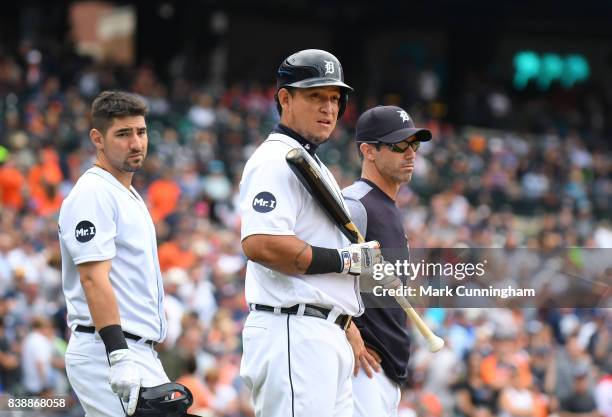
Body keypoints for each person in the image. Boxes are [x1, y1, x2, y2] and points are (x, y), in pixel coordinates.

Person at [238, 49, 382, 417]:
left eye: (334, 98)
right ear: (285, 99)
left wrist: (344, 321)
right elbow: (261, 244)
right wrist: (348, 260)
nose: (328, 108)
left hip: (322, 331)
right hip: (293, 329)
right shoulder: (274, 160)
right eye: (315, 96)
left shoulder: (311, 160)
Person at [58, 91, 169, 416]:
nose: (136, 143)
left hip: (137, 350)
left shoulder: (125, 192)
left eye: (141, 131)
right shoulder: (93, 192)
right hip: (107, 349)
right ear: (98, 138)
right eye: (123, 134)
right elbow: (93, 279)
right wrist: (118, 355)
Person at [342, 105, 432, 417]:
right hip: (363, 365)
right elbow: (312, 270)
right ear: (368, 151)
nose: (410, 154)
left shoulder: (386, 205)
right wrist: (345, 326)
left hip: (385, 368)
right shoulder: (354, 205)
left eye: (414, 145)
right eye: (398, 146)